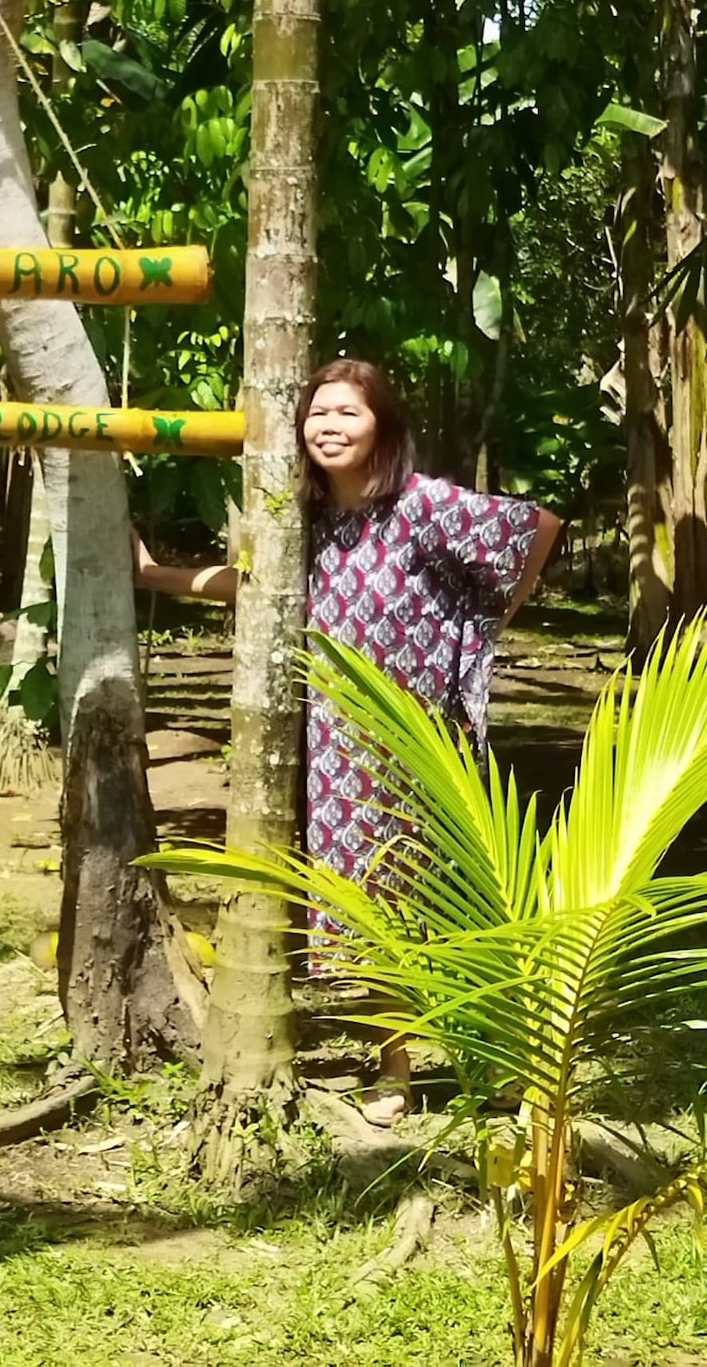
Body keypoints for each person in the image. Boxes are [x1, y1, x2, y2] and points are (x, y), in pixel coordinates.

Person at [133, 358, 562, 1126]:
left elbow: (537, 528)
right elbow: (251, 583)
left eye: (348, 414)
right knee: (367, 914)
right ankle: (392, 1067)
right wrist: (155, 575)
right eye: (317, 414)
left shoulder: (423, 506)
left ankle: (504, 1058)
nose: (329, 427)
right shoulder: (305, 521)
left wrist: (490, 618)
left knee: (460, 903)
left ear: (382, 428)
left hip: (429, 743)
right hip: (338, 754)